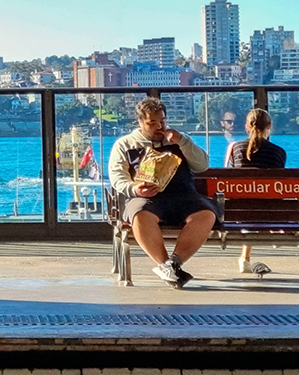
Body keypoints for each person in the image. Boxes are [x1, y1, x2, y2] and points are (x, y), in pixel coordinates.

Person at [110, 98, 216, 287]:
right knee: (140, 215)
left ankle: (173, 264)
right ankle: (164, 264)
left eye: (163, 121)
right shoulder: (125, 144)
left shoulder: (179, 141)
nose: (159, 127)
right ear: (140, 122)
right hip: (147, 198)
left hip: (184, 196)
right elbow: (117, 177)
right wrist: (134, 189)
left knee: (206, 214)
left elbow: (202, 165)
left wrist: (182, 141)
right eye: (152, 123)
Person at [223, 107, 284, 273]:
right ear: (269, 126)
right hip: (270, 211)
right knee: (258, 202)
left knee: (249, 204)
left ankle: (245, 258)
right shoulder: (279, 152)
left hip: (239, 210)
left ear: (247, 127)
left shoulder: (236, 149)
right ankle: (248, 255)